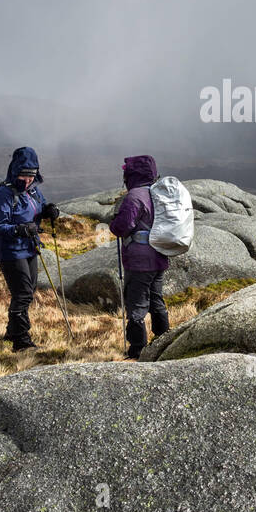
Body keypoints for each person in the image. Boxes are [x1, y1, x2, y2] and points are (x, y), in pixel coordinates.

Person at [0, 146, 59, 351]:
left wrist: (48, 211)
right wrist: (20, 229)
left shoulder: (34, 191)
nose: (28, 179)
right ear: (15, 171)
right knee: (23, 294)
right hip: (11, 251)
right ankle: (21, 341)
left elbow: (39, 208)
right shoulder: (4, 193)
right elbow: (0, 226)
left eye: (31, 175)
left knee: (28, 290)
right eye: (24, 175)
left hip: (30, 248)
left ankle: (12, 332)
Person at [108, 154, 169, 359]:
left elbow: (122, 227)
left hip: (140, 260)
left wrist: (113, 223)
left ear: (132, 175)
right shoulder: (159, 193)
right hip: (160, 255)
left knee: (137, 304)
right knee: (156, 299)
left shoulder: (134, 196)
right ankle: (164, 340)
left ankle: (137, 350)